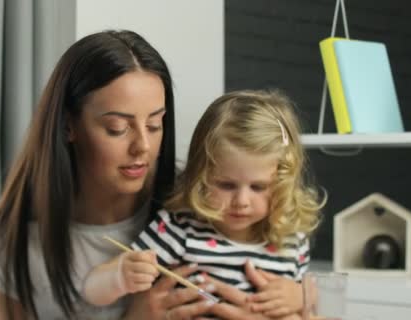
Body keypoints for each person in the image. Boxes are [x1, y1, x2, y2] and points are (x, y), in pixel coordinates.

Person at [0, 29, 221, 319]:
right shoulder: (16, 244)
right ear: (69, 126)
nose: (142, 146)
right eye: (118, 128)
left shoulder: (196, 208)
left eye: (155, 125)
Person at [82, 89, 325, 319]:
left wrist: (301, 296)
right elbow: (91, 291)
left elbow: (311, 309)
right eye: (226, 185)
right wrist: (120, 275)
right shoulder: (180, 229)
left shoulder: (291, 241)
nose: (241, 202)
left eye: (258, 187)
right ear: (201, 176)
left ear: (284, 184)